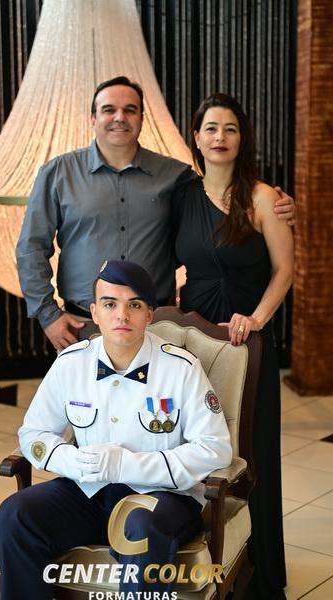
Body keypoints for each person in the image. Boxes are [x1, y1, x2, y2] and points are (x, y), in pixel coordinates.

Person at [0, 259, 233, 600]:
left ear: (149, 314)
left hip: (161, 497)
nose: (122, 315)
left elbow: (214, 448)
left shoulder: (181, 368)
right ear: (94, 312)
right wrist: (72, 461)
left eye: (134, 305)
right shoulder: (71, 363)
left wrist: (127, 465)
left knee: (139, 527)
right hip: (88, 492)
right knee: (14, 514)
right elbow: (33, 434)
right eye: (110, 304)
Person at [15, 75, 295, 352]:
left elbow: (219, 197)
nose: (120, 117)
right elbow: (31, 249)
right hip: (84, 325)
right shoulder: (57, 174)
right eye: (109, 109)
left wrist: (278, 205)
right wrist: (48, 315)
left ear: (141, 119)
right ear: (93, 118)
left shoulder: (175, 176)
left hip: (158, 328)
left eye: (130, 110)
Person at [173, 93, 294, 599]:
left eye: (230, 128)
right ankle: (203, 559)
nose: (220, 137)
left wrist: (256, 319)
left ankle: (260, 572)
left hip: (248, 343)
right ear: (196, 137)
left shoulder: (264, 198)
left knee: (252, 451)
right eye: (210, 128)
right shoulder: (182, 195)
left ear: (242, 139)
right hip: (194, 342)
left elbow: (285, 270)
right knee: (197, 448)